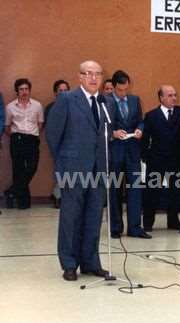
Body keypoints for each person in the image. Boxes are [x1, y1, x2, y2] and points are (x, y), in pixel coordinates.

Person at [46, 60, 115, 281]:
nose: (93, 78)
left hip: (98, 169)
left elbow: (105, 136)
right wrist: (62, 165)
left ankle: (90, 262)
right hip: (72, 169)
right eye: (88, 74)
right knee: (71, 217)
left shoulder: (106, 103)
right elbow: (53, 135)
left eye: (97, 74)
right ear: (80, 77)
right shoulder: (67, 99)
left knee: (94, 216)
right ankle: (68, 263)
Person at [108, 70, 151, 239]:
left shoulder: (134, 100)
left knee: (135, 189)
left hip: (132, 150)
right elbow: (101, 125)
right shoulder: (106, 101)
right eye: (119, 90)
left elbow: (140, 120)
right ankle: (116, 228)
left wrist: (140, 128)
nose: (123, 93)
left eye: (126, 89)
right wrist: (113, 133)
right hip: (115, 151)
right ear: (113, 87)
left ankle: (135, 227)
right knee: (115, 190)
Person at [142, 85, 180, 232]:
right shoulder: (151, 116)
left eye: (175, 95)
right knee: (152, 193)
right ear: (161, 98)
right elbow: (145, 140)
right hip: (156, 161)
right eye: (170, 95)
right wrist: (147, 157)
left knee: (175, 192)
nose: (174, 98)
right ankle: (148, 223)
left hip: (176, 160)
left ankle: (173, 221)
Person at [4, 79, 44, 209]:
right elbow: (7, 126)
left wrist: (32, 134)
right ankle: (23, 203)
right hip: (17, 139)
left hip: (32, 139)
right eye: (21, 89)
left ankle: (11, 191)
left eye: (26, 89)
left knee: (32, 167)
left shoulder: (37, 105)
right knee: (18, 169)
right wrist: (17, 136)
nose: (24, 92)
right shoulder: (10, 107)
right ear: (17, 91)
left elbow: (40, 123)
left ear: (30, 90)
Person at [45, 79, 71, 208]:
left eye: (66, 90)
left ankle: (61, 195)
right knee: (60, 171)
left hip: (71, 146)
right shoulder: (50, 108)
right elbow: (50, 130)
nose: (63, 93)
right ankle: (58, 196)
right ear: (55, 93)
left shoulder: (74, 107)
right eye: (60, 91)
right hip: (57, 146)